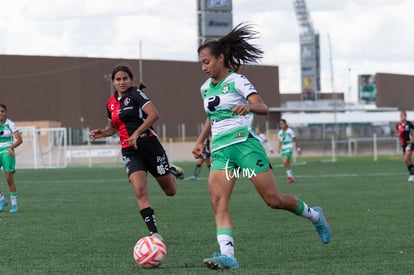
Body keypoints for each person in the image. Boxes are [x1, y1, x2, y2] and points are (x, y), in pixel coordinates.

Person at [193, 23, 331, 270]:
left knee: (273, 200)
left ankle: (314, 215)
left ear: (221, 58)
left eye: (207, 62)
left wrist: (249, 107)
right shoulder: (205, 88)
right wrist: (200, 140)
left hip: (245, 146)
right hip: (222, 151)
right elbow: (212, 116)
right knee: (217, 201)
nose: (203, 67)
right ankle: (229, 256)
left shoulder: (237, 81)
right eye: (201, 63)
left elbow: (263, 107)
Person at [90, 65, 184, 241]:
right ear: (113, 82)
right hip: (130, 151)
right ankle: (154, 233)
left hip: (150, 146)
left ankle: (171, 172)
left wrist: (136, 133)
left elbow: (154, 114)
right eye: (118, 79)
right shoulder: (110, 103)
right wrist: (102, 133)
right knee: (140, 191)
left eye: (125, 78)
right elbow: (112, 128)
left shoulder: (136, 94)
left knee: (170, 191)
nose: (122, 82)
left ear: (130, 79)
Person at [0, 104, 23, 213]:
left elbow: (19, 139)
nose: (1, 113)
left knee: (9, 179)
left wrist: (11, 147)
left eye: (2, 111)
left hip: (6, 152)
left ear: (5, 113)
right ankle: (2, 200)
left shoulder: (10, 124)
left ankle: (14, 204)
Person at [277, 119, 301, 183]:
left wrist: (298, 149)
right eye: (280, 124)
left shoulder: (290, 131)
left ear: (285, 124)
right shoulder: (280, 132)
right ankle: (291, 177)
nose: (281, 125)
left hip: (289, 147)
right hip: (283, 148)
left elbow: (295, 140)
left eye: (282, 124)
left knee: (285, 162)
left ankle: (290, 177)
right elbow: (279, 140)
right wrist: (278, 148)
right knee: (287, 163)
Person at [395, 111, 414, 181]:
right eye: (400, 115)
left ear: (406, 116)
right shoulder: (398, 125)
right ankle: (412, 174)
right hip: (403, 144)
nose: (401, 117)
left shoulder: (409, 124)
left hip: (410, 143)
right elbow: (396, 133)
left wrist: (413, 139)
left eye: (403, 115)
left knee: (406, 158)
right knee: (407, 161)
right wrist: (398, 134)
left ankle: (412, 174)